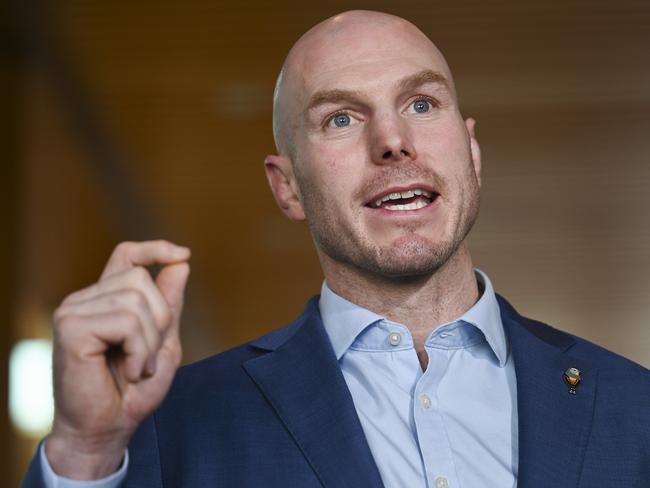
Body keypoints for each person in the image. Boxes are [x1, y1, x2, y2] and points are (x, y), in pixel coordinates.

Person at [22, 10, 650, 488]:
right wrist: (84, 452)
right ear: (287, 185)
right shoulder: (169, 427)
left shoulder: (634, 405)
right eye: (341, 119)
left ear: (472, 153)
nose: (393, 141)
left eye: (421, 103)